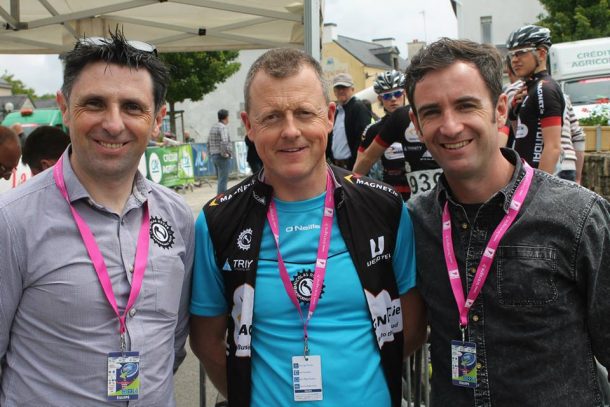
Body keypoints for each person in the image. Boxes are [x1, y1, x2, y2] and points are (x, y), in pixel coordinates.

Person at [189, 47, 427, 407]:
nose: (290, 131)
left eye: (304, 113)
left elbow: (410, 327)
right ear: (248, 126)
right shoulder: (218, 220)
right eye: (271, 117)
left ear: (329, 116)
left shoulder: (384, 208)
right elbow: (207, 344)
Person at [405, 37, 610, 406]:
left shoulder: (577, 216)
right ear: (416, 125)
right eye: (432, 112)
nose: (450, 127)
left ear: (500, 109)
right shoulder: (415, 221)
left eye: (466, 105)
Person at [0, 31, 194, 405]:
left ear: (158, 119)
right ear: (64, 107)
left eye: (133, 107)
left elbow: (174, 342)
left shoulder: (178, 217)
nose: (114, 123)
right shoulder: (11, 222)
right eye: (95, 103)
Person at [506, 24, 564, 173]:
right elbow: (523, 134)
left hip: (537, 180)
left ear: (541, 53)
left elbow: (553, 147)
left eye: (521, 53)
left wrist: (538, 189)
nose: (514, 60)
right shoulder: (529, 88)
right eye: (512, 54)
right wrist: (513, 112)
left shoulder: (544, 88)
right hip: (525, 174)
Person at [354, 70, 410, 200]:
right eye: (387, 96)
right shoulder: (372, 130)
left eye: (397, 93)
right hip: (389, 193)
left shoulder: (418, 121)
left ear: (405, 93)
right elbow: (357, 168)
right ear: (379, 99)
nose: (393, 99)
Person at [326, 72, 371, 170]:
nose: (341, 91)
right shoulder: (336, 111)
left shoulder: (358, 108)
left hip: (351, 167)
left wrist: (355, 165)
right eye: (338, 88)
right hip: (336, 166)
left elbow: (363, 139)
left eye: (344, 87)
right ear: (334, 91)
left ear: (352, 89)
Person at [209, 108, 232, 194]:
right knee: (223, 180)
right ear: (226, 117)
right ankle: (221, 200)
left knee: (220, 179)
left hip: (214, 155)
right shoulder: (223, 127)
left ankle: (219, 199)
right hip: (221, 156)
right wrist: (226, 154)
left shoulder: (213, 127)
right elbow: (224, 141)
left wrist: (210, 153)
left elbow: (208, 141)